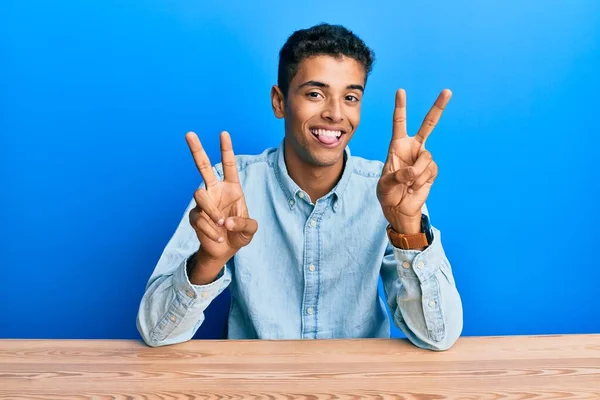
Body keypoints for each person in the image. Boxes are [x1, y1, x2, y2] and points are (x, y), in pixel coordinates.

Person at [136, 23, 463, 350]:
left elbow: (437, 337)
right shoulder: (231, 188)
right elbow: (155, 332)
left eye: (350, 97)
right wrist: (207, 260)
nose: (335, 114)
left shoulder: (392, 189)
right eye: (315, 94)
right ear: (279, 102)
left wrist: (407, 226)